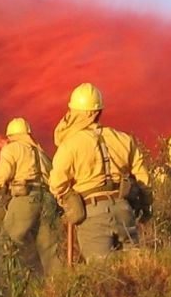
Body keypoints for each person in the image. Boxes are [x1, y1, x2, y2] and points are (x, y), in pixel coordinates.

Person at [48, 82, 151, 262]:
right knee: (137, 270)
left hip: (92, 215)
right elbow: (143, 178)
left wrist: (68, 198)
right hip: (124, 210)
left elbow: (56, 183)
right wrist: (144, 205)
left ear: (75, 112)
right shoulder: (123, 139)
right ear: (98, 112)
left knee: (101, 275)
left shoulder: (70, 144)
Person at [0, 117, 63, 276]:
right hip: (48, 201)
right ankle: (58, 288)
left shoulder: (12, 148)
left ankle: (13, 288)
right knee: (50, 251)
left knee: (7, 245)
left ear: (10, 136)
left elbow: (3, 175)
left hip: (25, 198)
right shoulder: (42, 154)